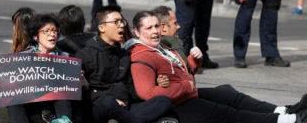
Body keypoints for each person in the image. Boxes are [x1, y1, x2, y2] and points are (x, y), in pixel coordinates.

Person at [126, 11, 307, 123]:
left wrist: (193, 61)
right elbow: (147, 93)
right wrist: (184, 86)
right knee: (227, 113)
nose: (155, 31)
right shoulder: (141, 56)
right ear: (137, 32)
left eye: (156, 26)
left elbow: (184, 72)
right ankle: (289, 120)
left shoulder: (161, 47)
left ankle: (284, 110)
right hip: (178, 104)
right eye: (149, 28)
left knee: (227, 93)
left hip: (187, 95)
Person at [76, 5, 172, 123]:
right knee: (108, 103)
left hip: (125, 108)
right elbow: (82, 94)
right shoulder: (85, 54)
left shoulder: (124, 55)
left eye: (122, 21)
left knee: (163, 100)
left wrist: (156, 83)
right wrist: (112, 100)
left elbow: (131, 89)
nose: (122, 25)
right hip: (99, 108)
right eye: (116, 22)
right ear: (102, 27)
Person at [0, 14, 74, 123]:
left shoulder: (66, 58)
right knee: (13, 96)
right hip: (32, 110)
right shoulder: (22, 58)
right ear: (36, 36)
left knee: (62, 90)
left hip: (55, 111)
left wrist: (82, 82)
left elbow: (78, 89)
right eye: (47, 31)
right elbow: (8, 84)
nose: (52, 34)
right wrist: (0, 83)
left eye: (55, 30)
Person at [152, 5, 204, 74]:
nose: (178, 26)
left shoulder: (173, 44)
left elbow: (187, 71)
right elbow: (184, 75)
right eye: (175, 23)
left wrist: (195, 59)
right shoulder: (158, 51)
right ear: (163, 28)